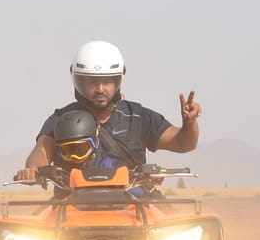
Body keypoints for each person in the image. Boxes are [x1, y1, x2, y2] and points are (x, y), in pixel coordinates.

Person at [15, 40, 202, 189]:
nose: (100, 89)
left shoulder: (137, 117)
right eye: (91, 82)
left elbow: (184, 143)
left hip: (135, 203)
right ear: (78, 81)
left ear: (118, 81)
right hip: (70, 206)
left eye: (107, 81)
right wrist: (31, 171)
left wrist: (189, 123)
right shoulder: (61, 120)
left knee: (174, 226)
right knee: (30, 230)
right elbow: (39, 154)